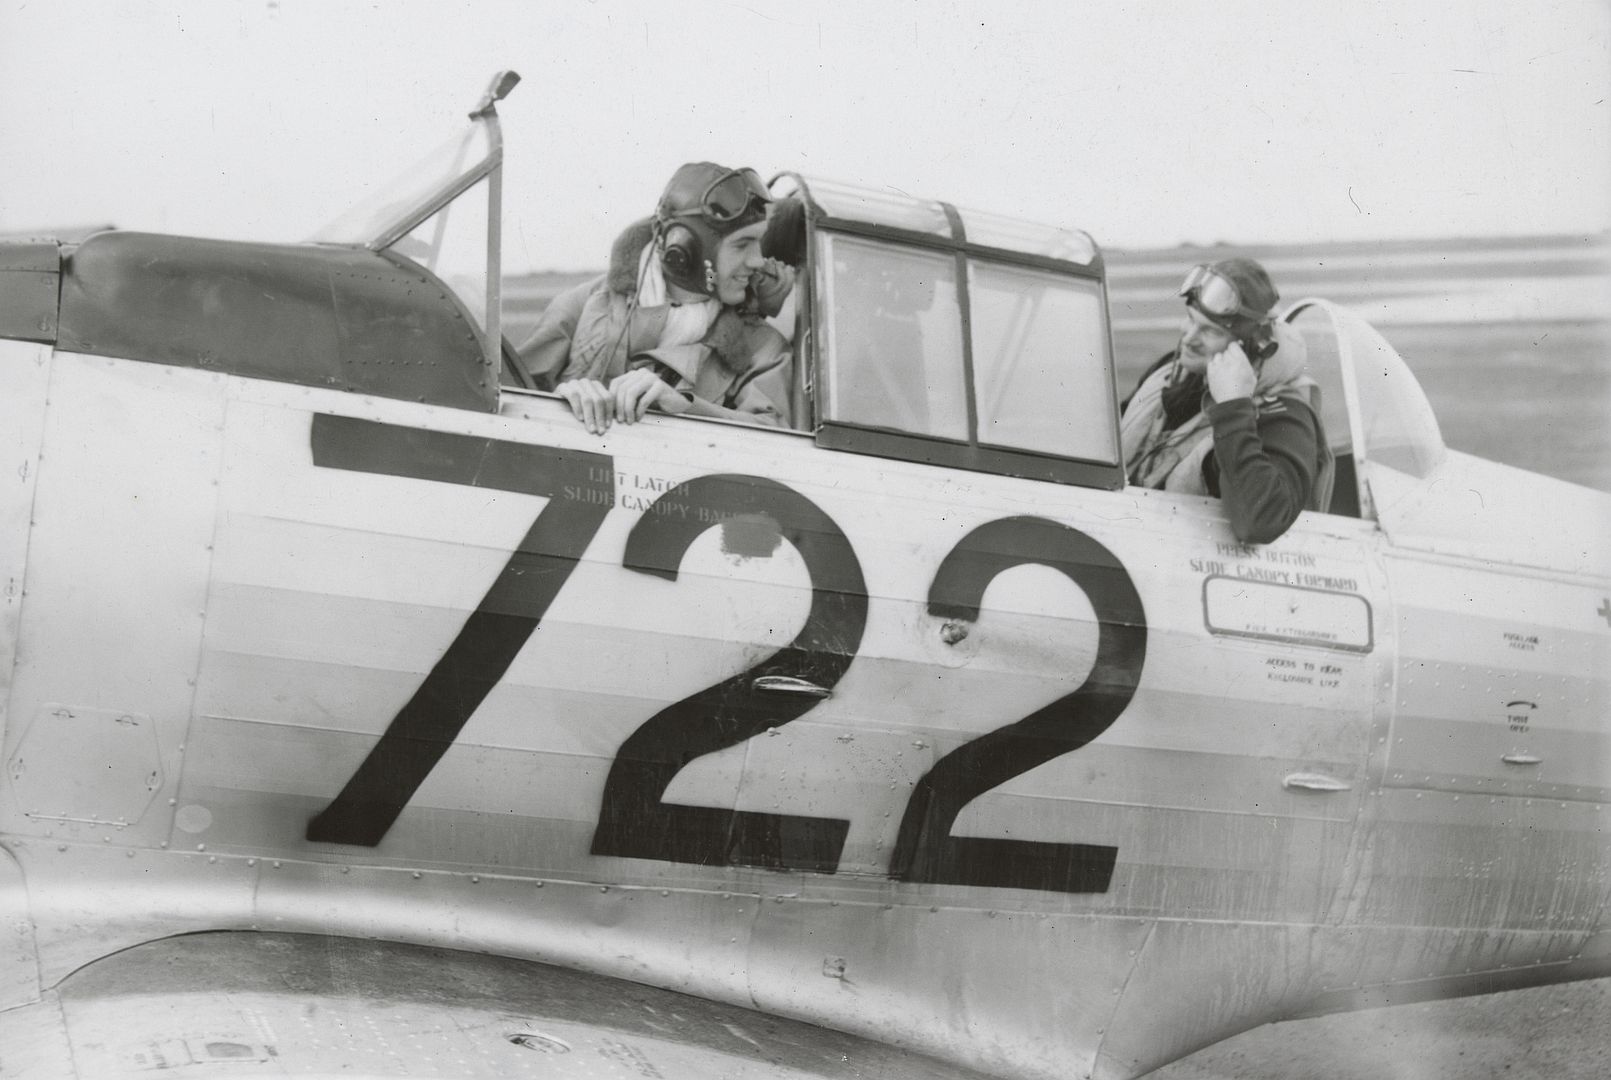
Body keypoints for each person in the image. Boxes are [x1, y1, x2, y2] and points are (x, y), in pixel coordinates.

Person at [517, 162, 795, 433]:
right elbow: (508, 403)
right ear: (685, 250)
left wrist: (687, 408)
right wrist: (558, 400)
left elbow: (775, 434)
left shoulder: (762, 347)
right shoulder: (580, 307)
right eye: (742, 244)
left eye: (759, 241)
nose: (758, 260)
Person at [1119, 258, 1332, 543]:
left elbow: (1262, 522)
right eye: (1191, 320)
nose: (1188, 338)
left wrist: (1233, 409)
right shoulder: (1174, 372)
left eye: (1209, 331)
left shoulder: (1285, 415)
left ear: (1249, 349)